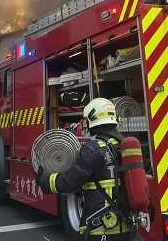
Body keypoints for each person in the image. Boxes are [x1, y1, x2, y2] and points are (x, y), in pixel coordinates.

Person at [36, 98, 136, 241]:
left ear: (92, 121)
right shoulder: (123, 146)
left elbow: (70, 181)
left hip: (101, 229)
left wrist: (45, 180)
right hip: (127, 227)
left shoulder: (92, 149)